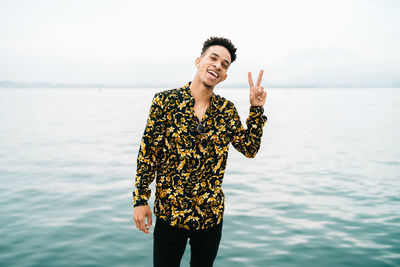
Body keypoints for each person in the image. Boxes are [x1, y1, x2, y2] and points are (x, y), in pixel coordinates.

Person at [132, 36, 268, 267]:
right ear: (199, 61)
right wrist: (140, 199)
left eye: (224, 64)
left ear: (224, 76)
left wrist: (256, 110)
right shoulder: (165, 101)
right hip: (170, 214)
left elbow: (250, 149)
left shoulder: (226, 110)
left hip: (210, 217)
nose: (217, 65)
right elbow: (148, 153)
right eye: (213, 58)